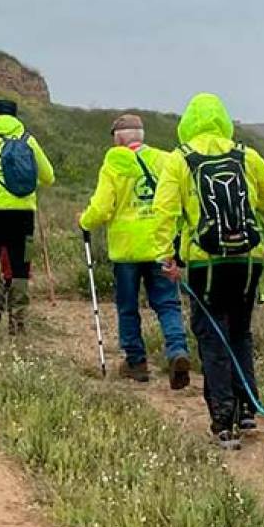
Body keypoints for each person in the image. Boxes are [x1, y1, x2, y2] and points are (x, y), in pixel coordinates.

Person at [154, 92, 264, 451]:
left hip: (205, 261)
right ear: (224, 120)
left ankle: (223, 421)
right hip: (248, 260)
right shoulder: (247, 155)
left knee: (212, 336)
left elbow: (164, 212)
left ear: (187, 124)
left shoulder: (179, 160)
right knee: (241, 332)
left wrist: (166, 257)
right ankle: (246, 410)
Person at [80, 113, 191, 389]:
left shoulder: (114, 161)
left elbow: (103, 207)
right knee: (167, 303)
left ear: (118, 138)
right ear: (141, 136)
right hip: (160, 245)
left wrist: (84, 221)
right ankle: (177, 352)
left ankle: (136, 362)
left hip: (127, 249)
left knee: (128, 307)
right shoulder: (165, 159)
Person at [0, 99, 55, 335]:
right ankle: (18, 319)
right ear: (16, 116)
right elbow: (49, 176)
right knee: (21, 265)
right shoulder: (28, 139)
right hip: (23, 212)